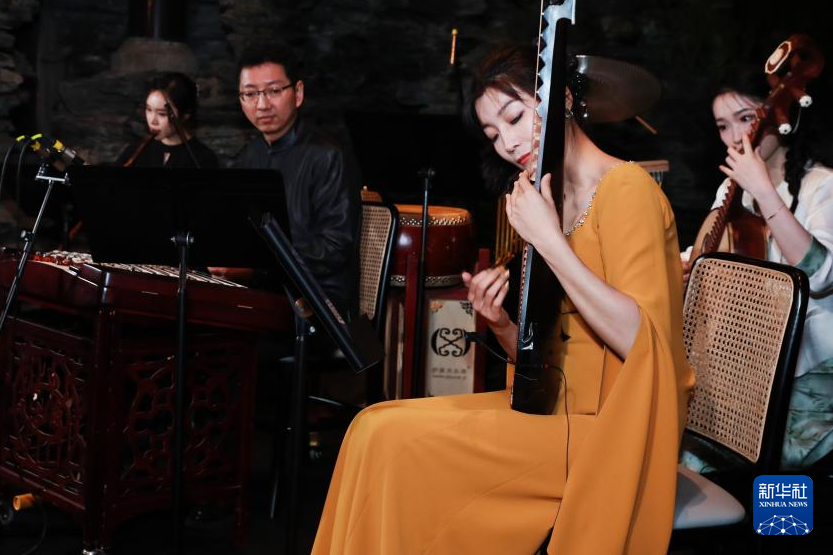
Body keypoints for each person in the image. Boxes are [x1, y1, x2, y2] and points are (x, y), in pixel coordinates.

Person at [312, 45, 694, 555]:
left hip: (612, 431)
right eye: (493, 135)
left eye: (515, 118)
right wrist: (500, 324)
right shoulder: (549, 200)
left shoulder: (626, 188)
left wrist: (549, 241)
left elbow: (641, 342)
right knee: (370, 425)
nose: (509, 144)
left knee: (395, 444)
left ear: (561, 98)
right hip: (557, 414)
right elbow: (551, 364)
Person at [683, 62, 833, 470]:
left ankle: (782, 515)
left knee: (760, 462)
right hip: (749, 373)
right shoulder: (730, 190)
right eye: (723, 126)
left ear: (780, 116)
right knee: (683, 450)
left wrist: (764, 191)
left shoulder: (821, 186)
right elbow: (708, 258)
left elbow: (821, 275)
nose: (736, 137)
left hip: (812, 376)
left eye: (746, 118)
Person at [234, 45, 359, 318]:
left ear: (298, 93)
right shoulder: (248, 156)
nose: (262, 104)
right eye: (250, 94)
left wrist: (259, 265)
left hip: (317, 298)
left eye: (274, 91)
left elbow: (335, 247)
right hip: (266, 288)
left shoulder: (327, 155)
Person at [117, 73, 219, 169]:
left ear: (185, 115)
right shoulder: (134, 152)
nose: (153, 121)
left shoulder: (203, 159)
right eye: (149, 109)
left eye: (162, 114)